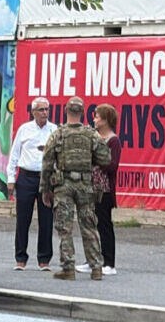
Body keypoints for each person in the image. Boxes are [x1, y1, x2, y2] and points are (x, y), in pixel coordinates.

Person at [40, 96, 111, 281]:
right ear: (83, 111)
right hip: (85, 186)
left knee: (65, 228)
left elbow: (47, 162)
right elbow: (105, 158)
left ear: (65, 110)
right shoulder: (91, 134)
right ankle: (96, 268)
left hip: (63, 185)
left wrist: (45, 189)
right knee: (89, 226)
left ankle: (68, 268)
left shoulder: (58, 134)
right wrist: (89, 159)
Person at [6, 97, 57, 271]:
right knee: (23, 219)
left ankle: (44, 259)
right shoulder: (24, 129)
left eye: (47, 109)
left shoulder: (54, 130)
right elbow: (14, 155)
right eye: (41, 110)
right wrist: (11, 179)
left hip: (46, 177)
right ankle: (20, 258)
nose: (44, 113)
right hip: (26, 178)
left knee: (46, 219)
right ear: (33, 112)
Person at [76, 104, 122, 276]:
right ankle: (92, 259)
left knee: (104, 226)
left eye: (97, 116)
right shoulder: (94, 137)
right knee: (89, 226)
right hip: (88, 187)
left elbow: (112, 166)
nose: (94, 119)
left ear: (105, 119)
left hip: (104, 190)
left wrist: (95, 157)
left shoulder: (113, 140)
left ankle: (109, 262)